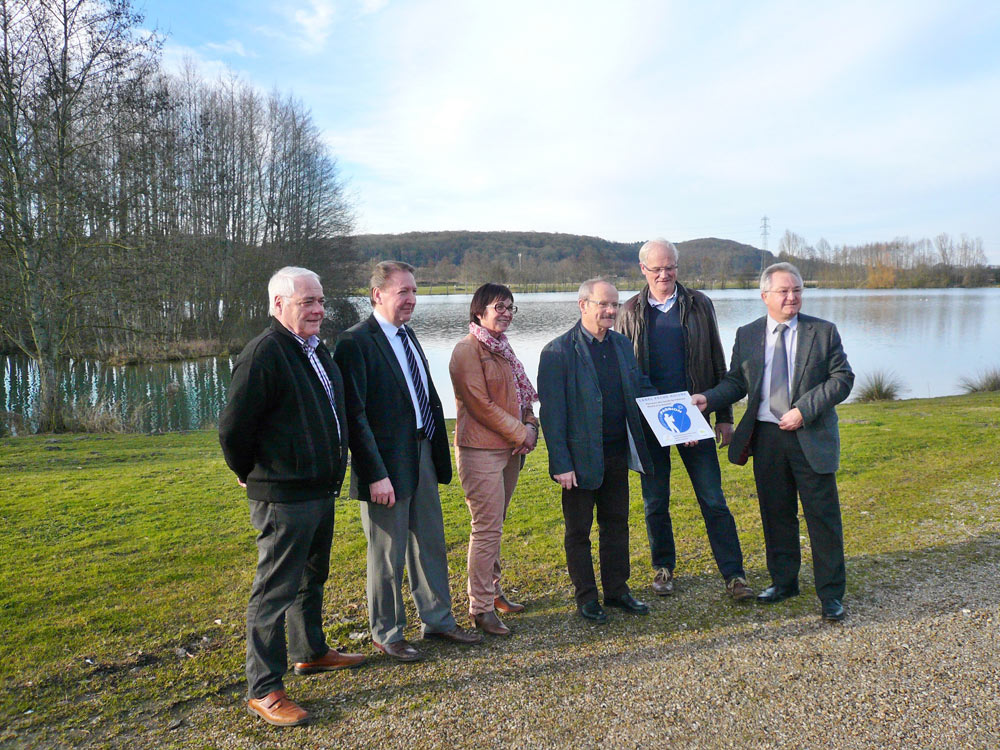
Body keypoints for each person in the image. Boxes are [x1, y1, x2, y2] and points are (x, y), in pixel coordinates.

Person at [219, 266, 364, 728]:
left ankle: (310, 651)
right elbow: (233, 429)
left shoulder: (316, 349)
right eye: (308, 302)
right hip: (283, 495)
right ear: (278, 304)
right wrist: (249, 473)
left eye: (320, 300)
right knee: (274, 589)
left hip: (319, 489)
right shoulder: (264, 353)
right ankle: (264, 688)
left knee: (311, 577)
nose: (319, 309)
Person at [334, 261, 482, 662]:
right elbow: (354, 416)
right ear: (377, 294)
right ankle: (387, 632)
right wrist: (374, 474)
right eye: (403, 292)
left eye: (414, 291)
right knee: (387, 555)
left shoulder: (408, 335)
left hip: (422, 453)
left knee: (430, 543)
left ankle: (438, 620)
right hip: (384, 466)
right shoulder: (354, 342)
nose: (412, 299)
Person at [692, 262, 854, 622]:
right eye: (784, 291)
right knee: (776, 514)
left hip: (810, 435)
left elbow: (842, 378)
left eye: (797, 290)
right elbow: (736, 382)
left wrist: (803, 410)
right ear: (765, 295)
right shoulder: (748, 333)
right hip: (766, 437)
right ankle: (784, 582)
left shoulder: (822, 331)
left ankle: (831, 594)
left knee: (823, 518)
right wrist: (708, 399)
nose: (792, 297)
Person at [618, 238, 752, 601]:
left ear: (677, 267)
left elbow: (716, 360)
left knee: (713, 499)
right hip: (649, 422)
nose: (664, 274)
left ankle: (734, 575)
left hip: (696, 415)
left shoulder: (699, 304)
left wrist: (723, 415)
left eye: (670, 267)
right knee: (655, 501)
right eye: (657, 268)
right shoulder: (629, 311)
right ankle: (663, 568)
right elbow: (627, 372)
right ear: (643, 270)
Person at [537, 278, 656, 623]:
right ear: (583, 305)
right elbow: (552, 414)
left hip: (617, 452)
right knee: (579, 532)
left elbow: (639, 387)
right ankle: (587, 597)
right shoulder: (557, 352)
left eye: (615, 304)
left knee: (616, 524)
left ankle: (617, 590)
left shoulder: (621, 344)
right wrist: (561, 463)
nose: (611, 311)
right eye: (603, 304)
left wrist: (678, 411)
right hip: (579, 460)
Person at [449, 283, 539, 636]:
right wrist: (521, 433)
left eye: (510, 307)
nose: (506, 313)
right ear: (479, 310)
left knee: (495, 525)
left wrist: (530, 423)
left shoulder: (503, 348)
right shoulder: (467, 350)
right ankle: (480, 607)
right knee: (485, 528)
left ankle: (493, 590)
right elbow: (479, 405)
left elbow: (521, 397)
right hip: (480, 451)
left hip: (509, 451)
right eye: (499, 306)